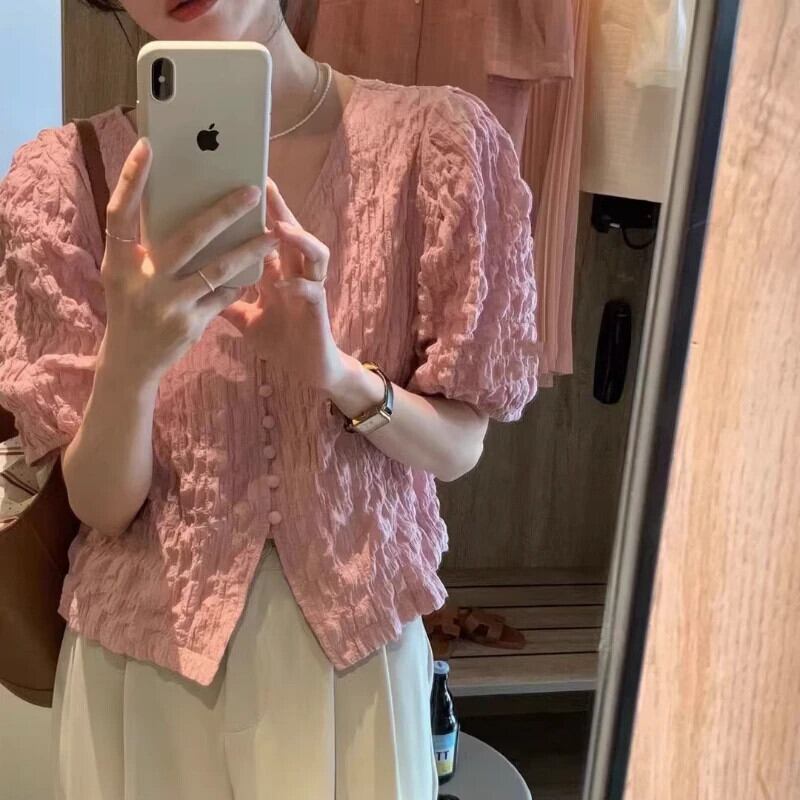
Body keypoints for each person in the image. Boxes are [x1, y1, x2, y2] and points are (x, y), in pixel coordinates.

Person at [0, 0, 539, 797]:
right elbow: (101, 507)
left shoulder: (439, 147)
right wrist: (132, 363)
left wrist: (335, 373)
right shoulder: (64, 183)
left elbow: (461, 446)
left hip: (356, 670)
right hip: (143, 677)